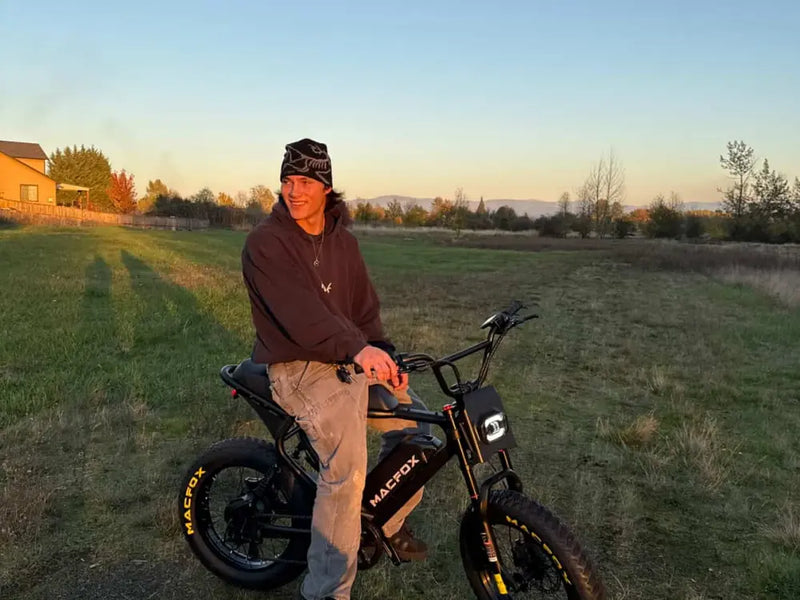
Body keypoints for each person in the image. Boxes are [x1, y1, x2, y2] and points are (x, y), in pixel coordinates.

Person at [241, 138, 430, 600]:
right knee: (346, 471)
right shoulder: (266, 243)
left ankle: (384, 522)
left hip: (348, 358)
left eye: (305, 180)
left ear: (326, 185)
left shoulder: (343, 241)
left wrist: (382, 351)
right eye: (287, 180)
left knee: (421, 434)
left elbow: (363, 310)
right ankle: (327, 591)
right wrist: (357, 349)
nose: (293, 190)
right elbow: (301, 315)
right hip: (298, 367)